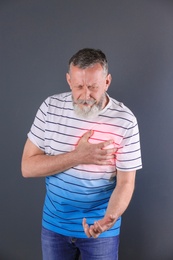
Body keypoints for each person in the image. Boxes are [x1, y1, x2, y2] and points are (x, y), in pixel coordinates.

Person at [21, 48, 142, 260]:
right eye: (78, 86)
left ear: (107, 82)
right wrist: (78, 156)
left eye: (93, 87)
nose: (85, 96)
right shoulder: (50, 108)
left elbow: (126, 183)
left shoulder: (126, 120)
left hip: (101, 229)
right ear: (69, 80)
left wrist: (108, 219)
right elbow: (27, 168)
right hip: (54, 226)